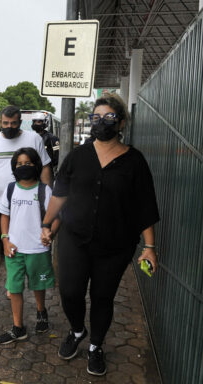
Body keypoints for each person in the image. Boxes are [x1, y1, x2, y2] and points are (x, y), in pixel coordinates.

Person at [41, 93, 160, 376]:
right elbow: (60, 194)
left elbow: (145, 204)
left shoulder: (134, 161)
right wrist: (47, 224)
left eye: (108, 118)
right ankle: (78, 330)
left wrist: (150, 246)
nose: (101, 123)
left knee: (102, 296)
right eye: (96, 118)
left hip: (115, 244)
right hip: (74, 238)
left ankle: (96, 346)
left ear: (120, 123)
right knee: (69, 291)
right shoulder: (78, 156)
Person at [0, 105, 52, 304]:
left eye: (13, 123)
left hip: (27, 204)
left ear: (20, 122)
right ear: (0, 122)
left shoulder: (33, 139)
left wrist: (46, 196)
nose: (9, 127)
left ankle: (14, 285)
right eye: (5, 123)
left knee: (24, 245)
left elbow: (45, 167)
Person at [0, 147, 59, 344]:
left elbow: (57, 217)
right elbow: (4, 215)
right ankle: (18, 327)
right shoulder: (10, 189)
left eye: (28, 163)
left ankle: (41, 311)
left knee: (38, 285)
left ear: (37, 165)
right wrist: (5, 239)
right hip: (14, 249)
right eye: (19, 164)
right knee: (14, 288)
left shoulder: (44, 190)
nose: (24, 167)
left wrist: (50, 233)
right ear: (14, 167)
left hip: (37, 249)